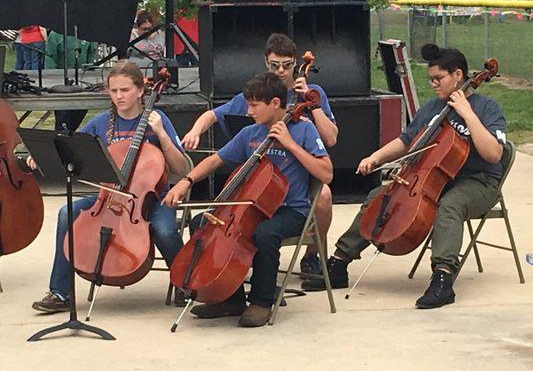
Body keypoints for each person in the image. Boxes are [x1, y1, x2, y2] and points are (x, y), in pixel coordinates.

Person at [302, 43, 507, 310]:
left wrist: (467, 113)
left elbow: (493, 154)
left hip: (478, 181)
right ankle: (339, 263)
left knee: (450, 206)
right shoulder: (433, 108)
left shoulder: (486, 107)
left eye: (438, 79)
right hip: (435, 179)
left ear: (458, 75)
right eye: (430, 79)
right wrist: (375, 157)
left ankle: (443, 278)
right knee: (380, 196)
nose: (434, 84)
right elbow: (406, 141)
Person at [163, 72, 333, 327]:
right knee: (201, 223)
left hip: (292, 211)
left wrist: (290, 144)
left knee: (265, 234)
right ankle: (230, 298)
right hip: (252, 207)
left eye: (254, 105)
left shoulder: (304, 129)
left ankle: (262, 301)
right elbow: (216, 160)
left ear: (275, 103)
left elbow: (326, 173)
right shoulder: (250, 133)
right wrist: (186, 181)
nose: (249, 111)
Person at [30, 60, 186, 313]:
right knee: (65, 213)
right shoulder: (101, 123)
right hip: (108, 196)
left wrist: (163, 135)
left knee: (165, 230)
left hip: (153, 197)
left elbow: (181, 168)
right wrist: (44, 155)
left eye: (125, 90)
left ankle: (184, 281)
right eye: (113, 91)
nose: (119, 96)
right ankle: (60, 292)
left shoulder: (158, 119)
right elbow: (70, 150)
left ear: (140, 91)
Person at [181, 33, 338, 276]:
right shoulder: (258, 96)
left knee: (323, 195)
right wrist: (195, 131)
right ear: (266, 62)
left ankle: (312, 255)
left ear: (295, 64)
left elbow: (331, 139)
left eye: (287, 65)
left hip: (303, 172)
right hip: (263, 176)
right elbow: (213, 115)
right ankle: (227, 272)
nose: (281, 71)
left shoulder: (312, 93)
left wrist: (312, 104)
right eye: (275, 65)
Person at [45, 30, 98, 132]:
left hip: (82, 83)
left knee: (80, 110)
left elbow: (91, 57)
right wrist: (53, 81)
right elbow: (49, 59)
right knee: (63, 116)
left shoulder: (88, 35)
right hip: (61, 85)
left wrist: (89, 75)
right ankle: (62, 137)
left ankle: (68, 135)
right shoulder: (55, 35)